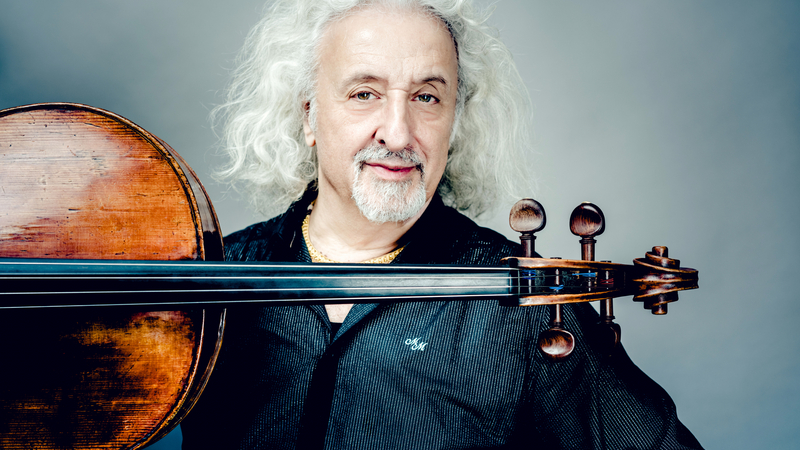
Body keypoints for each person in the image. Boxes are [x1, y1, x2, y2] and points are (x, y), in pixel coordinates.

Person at [181, 0, 702, 448]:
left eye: (426, 97)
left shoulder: (522, 303)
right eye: (364, 93)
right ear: (308, 117)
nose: (398, 132)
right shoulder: (218, 277)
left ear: (454, 121)